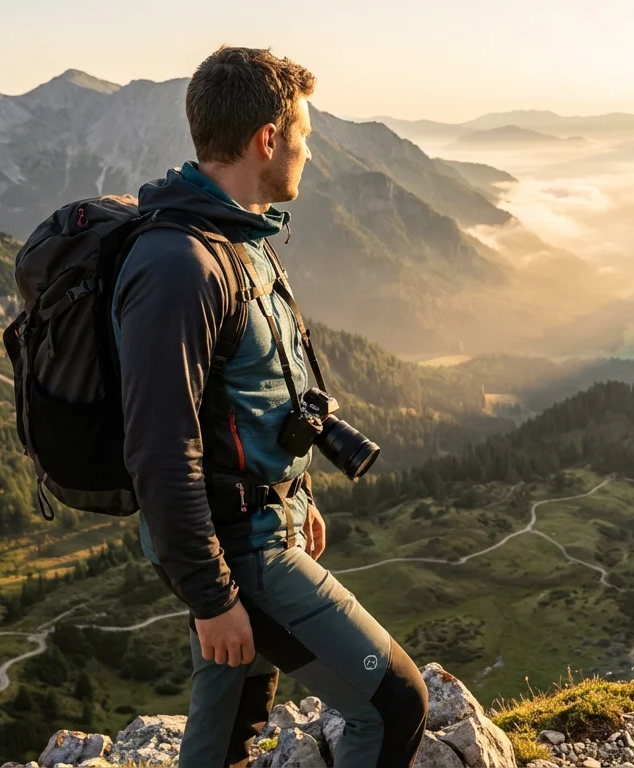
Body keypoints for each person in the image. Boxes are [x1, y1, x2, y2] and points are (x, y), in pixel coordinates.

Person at [112, 46, 427, 768]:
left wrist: (296, 490)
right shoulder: (178, 267)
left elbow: (261, 394)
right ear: (267, 139)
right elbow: (161, 448)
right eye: (305, 137)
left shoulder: (241, 239)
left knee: (232, 724)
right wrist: (213, 596)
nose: (309, 153)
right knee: (395, 703)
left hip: (257, 524)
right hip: (237, 552)